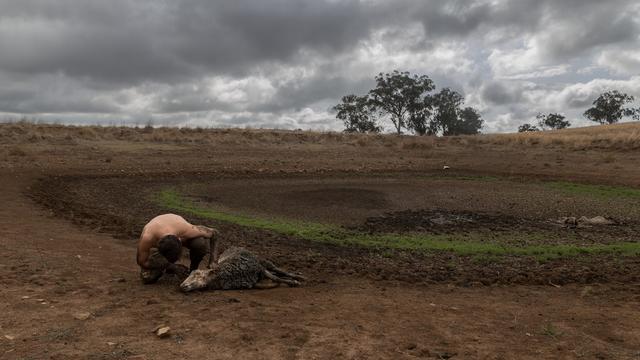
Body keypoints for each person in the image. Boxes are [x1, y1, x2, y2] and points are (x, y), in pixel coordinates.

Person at [137, 213, 219, 284]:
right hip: (159, 234)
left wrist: (213, 260)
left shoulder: (187, 229)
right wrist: (171, 266)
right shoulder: (147, 238)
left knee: (199, 244)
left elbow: (215, 233)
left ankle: (193, 270)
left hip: (176, 225)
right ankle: (166, 269)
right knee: (147, 278)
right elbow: (142, 262)